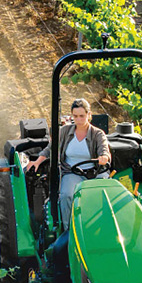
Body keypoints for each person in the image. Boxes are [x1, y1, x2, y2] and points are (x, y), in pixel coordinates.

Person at [28, 97, 112, 247]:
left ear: (89, 115)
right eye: (75, 116)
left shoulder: (97, 134)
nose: (78, 120)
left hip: (94, 172)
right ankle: (69, 232)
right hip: (73, 172)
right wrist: (37, 161)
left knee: (106, 194)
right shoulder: (64, 132)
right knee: (67, 195)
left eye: (82, 116)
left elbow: (104, 150)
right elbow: (50, 149)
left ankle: (104, 229)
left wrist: (104, 157)